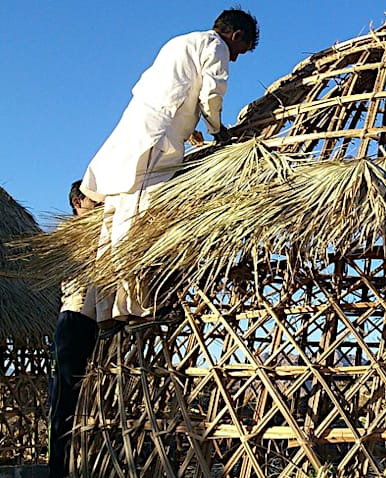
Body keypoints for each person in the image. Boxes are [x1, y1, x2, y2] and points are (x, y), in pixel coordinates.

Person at [79, 8, 259, 327]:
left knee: (114, 217)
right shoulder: (215, 45)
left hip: (137, 128)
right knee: (135, 219)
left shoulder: (179, 42)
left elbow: (170, 91)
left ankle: (101, 309)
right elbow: (211, 92)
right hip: (156, 138)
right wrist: (218, 129)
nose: (234, 59)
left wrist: (190, 127)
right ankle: (131, 308)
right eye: (239, 52)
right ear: (236, 36)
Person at [47, 181, 101, 478]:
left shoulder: (104, 229)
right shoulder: (71, 235)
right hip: (73, 318)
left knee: (88, 398)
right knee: (64, 397)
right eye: (93, 197)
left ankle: (80, 471)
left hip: (95, 319)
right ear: (79, 201)